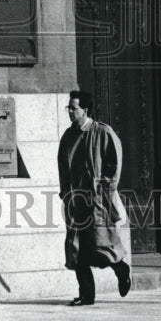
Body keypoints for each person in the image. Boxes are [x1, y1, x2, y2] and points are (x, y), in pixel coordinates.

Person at [57, 89, 132, 306]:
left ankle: (121, 268)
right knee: (76, 249)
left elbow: (114, 162)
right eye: (68, 108)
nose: (70, 111)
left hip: (98, 201)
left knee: (100, 247)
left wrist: (105, 188)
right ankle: (87, 295)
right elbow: (63, 167)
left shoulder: (102, 132)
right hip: (76, 201)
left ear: (85, 110)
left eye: (74, 108)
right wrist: (66, 194)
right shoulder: (68, 136)